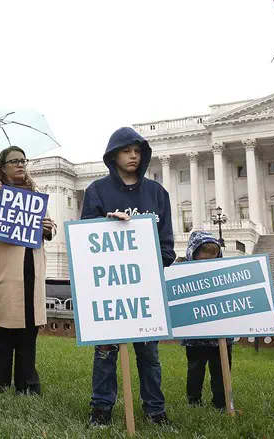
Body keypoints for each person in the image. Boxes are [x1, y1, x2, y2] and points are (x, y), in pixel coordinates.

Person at [81, 126, 176, 427]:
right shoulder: (97, 191)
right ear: (113, 155)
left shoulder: (157, 193)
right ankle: (101, 408)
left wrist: (150, 263)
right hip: (109, 287)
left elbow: (167, 244)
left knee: (149, 354)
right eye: (126, 150)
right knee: (106, 352)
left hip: (145, 287)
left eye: (137, 150)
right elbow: (86, 236)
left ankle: (155, 410)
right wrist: (107, 225)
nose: (133, 155)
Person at [0, 146, 55, 395]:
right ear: (3, 167)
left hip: (31, 265)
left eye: (23, 160)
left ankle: (27, 383)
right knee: (3, 330)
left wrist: (48, 227)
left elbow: (49, 228)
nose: (20, 165)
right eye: (14, 161)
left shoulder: (36, 193)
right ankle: (0, 383)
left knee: (28, 330)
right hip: (5, 268)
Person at [181, 230, 233, 411]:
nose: (208, 265)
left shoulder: (225, 276)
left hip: (222, 332)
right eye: (203, 261)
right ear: (192, 256)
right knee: (195, 368)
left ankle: (221, 402)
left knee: (221, 368)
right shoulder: (183, 277)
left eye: (213, 260)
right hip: (195, 334)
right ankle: (194, 401)